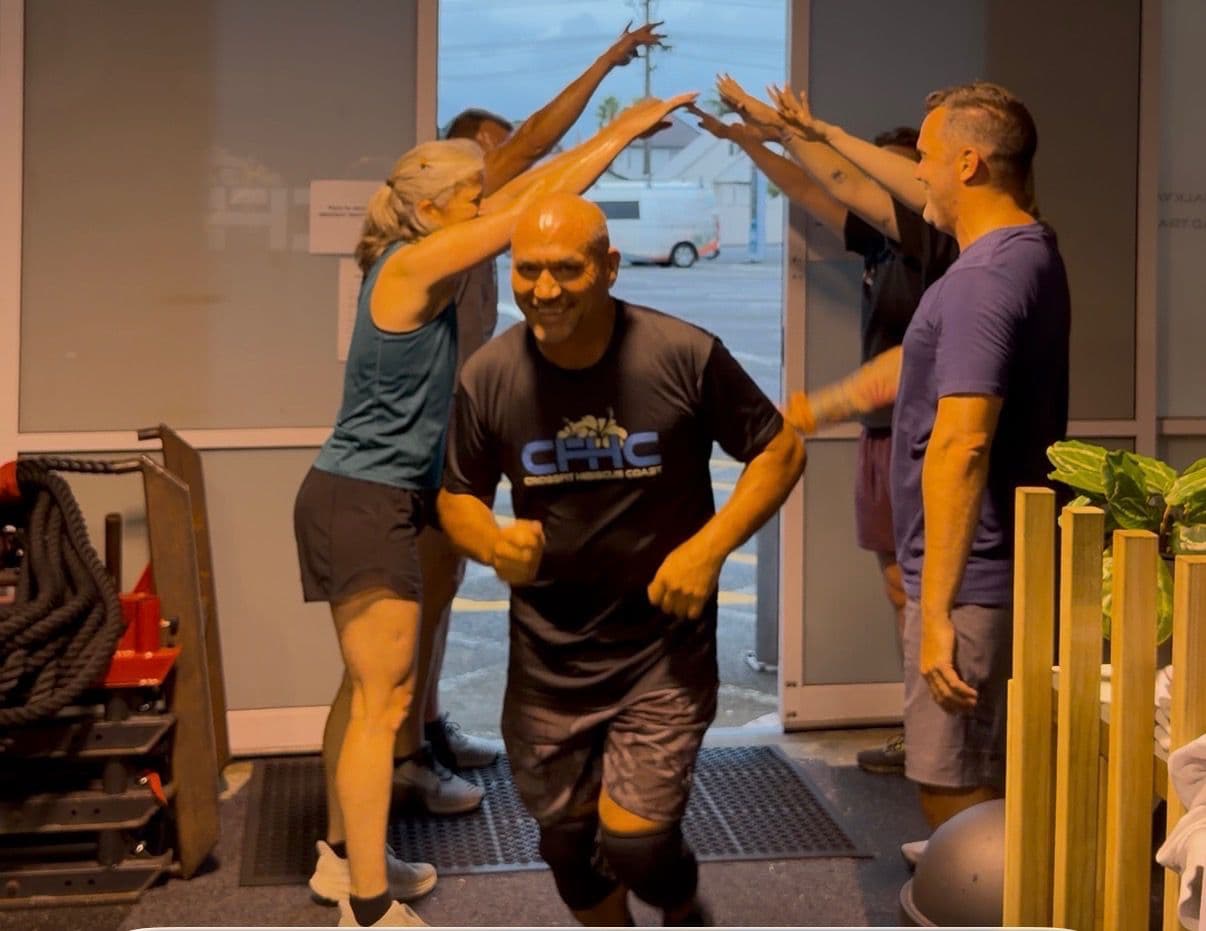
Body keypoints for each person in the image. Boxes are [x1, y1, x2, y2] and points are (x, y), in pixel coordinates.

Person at [293, 94, 697, 928]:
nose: (486, 202)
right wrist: (621, 129)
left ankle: (345, 860)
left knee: (368, 690)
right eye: (473, 197)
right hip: (361, 498)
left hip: (381, 496)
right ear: (438, 208)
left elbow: (528, 183)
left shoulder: (415, 253)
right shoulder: (412, 263)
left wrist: (607, 130)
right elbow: (529, 210)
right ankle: (367, 910)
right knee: (383, 701)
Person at [437, 192, 806, 926]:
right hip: (549, 656)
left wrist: (707, 549)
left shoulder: (680, 353)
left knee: (636, 840)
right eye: (529, 269)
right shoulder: (490, 374)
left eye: (567, 269)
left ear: (609, 267)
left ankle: (682, 905)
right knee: (569, 848)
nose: (545, 289)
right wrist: (490, 541)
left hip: (660, 651)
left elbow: (779, 448)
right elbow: (457, 496)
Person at [781, 82, 1070, 846]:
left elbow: (963, 442)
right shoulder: (1027, 246)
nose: (918, 176)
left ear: (968, 164)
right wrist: (810, 129)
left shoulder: (980, 279)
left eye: (928, 162)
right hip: (992, 571)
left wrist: (931, 612)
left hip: (971, 581)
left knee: (954, 789)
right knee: (983, 780)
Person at [394, 23, 670, 810]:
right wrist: (608, 73)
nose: (508, 163)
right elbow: (549, 145)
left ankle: (429, 728)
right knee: (422, 599)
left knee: (441, 596)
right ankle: (405, 756)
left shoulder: (459, 234)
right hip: (418, 445)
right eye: (498, 151)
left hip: (444, 432)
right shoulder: (443, 233)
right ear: (476, 154)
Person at [701, 76, 959, 776]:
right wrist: (749, 140)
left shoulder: (932, 239)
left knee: (928, 588)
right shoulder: (881, 242)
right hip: (882, 432)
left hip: (923, 433)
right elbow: (814, 189)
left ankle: (943, 737)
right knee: (899, 587)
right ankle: (922, 724)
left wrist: (811, 409)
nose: (859, 190)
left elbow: (914, 360)